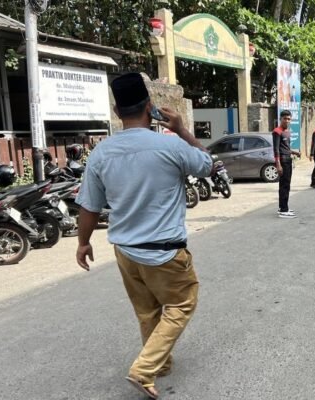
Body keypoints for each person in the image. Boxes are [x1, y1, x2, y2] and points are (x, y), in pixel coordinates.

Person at [74, 73, 213, 399]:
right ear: (150, 107)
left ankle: (160, 363)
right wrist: (180, 129)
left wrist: (83, 243)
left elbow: (89, 207)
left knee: (148, 311)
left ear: (116, 109)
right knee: (182, 303)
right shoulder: (171, 145)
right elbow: (207, 165)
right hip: (164, 251)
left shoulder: (101, 153)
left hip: (126, 252)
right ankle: (145, 368)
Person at [273, 110, 301, 218]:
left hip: (288, 160)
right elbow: (276, 149)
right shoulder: (277, 131)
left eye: (289, 119)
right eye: (285, 118)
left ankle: (282, 207)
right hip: (283, 162)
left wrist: (295, 152)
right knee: (284, 185)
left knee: (286, 185)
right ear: (281, 119)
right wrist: (278, 165)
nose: (287, 121)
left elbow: (286, 148)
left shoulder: (287, 132)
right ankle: (284, 211)